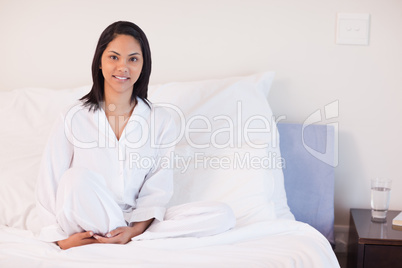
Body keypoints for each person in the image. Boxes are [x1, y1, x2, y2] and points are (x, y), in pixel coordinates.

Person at [35, 21, 235, 250]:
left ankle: (125, 238)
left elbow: (157, 188)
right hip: (86, 212)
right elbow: (49, 184)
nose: (123, 67)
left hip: (134, 221)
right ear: (100, 61)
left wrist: (134, 230)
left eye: (133, 59)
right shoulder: (73, 116)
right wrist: (61, 240)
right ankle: (116, 236)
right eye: (114, 57)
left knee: (222, 215)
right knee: (75, 179)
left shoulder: (160, 120)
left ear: (143, 66)